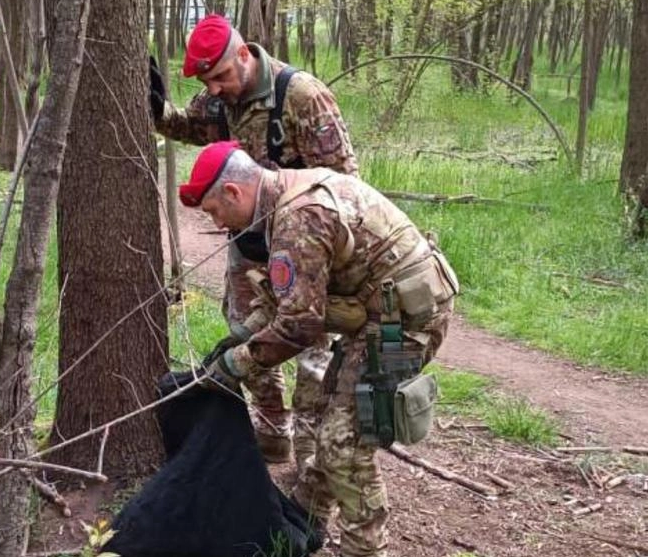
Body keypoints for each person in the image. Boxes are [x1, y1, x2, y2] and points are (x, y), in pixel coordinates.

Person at [179, 141, 459, 557]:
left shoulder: (297, 218)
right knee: (333, 419)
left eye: (215, 211)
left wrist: (236, 364)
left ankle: (364, 548)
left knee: (345, 441)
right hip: (378, 315)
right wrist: (238, 338)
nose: (219, 224)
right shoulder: (285, 199)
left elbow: (299, 325)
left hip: (406, 323)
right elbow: (286, 301)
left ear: (234, 193)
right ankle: (303, 523)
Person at [149, 13, 358, 469]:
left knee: (310, 348)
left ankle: (312, 461)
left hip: (306, 248)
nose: (216, 88)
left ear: (244, 55)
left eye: (221, 76)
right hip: (248, 247)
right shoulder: (218, 98)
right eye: (208, 82)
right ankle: (273, 432)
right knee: (246, 335)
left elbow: (344, 185)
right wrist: (158, 111)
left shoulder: (302, 96)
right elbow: (191, 127)